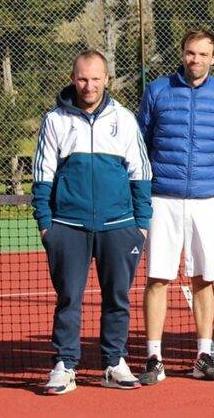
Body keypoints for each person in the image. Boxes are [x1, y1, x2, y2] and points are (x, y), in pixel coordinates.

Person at [34, 49, 152, 395]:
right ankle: (64, 365)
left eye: (96, 78)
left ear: (106, 79)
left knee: (117, 298)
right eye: (83, 78)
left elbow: (141, 173)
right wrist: (46, 224)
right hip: (67, 227)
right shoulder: (55, 120)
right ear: (74, 78)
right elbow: (42, 175)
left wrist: (140, 224)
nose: (89, 85)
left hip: (120, 226)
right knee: (69, 297)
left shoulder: (124, 118)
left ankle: (113, 363)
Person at [136, 29, 214, 384]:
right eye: (190, 53)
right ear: (182, 54)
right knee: (158, 278)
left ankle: (203, 353)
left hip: (208, 201)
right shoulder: (157, 91)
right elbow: (142, 144)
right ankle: (153, 357)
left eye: (202, 54)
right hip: (162, 198)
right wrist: (142, 197)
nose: (195, 59)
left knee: (204, 279)